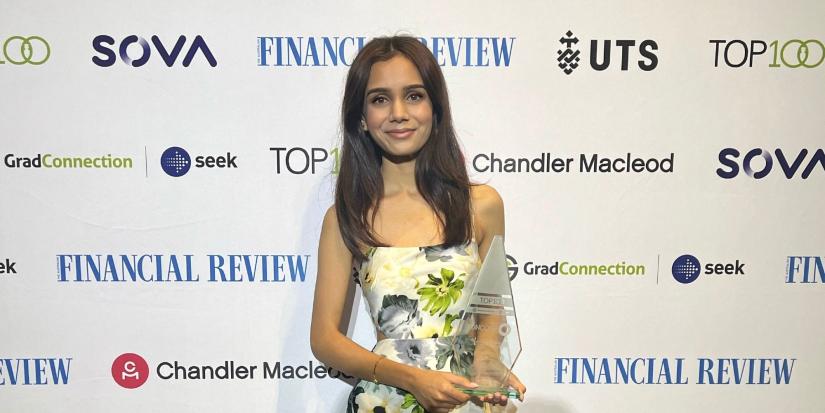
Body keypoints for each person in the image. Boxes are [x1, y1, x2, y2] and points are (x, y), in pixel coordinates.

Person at [310, 35, 526, 413]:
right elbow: (325, 339)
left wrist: (488, 365)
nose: (398, 112)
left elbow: (490, 312)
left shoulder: (483, 206)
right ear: (361, 118)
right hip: (386, 401)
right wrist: (413, 379)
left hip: (466, 401)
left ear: (435, 107)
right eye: (380, 99)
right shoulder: (346, 218)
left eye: (414, 95)